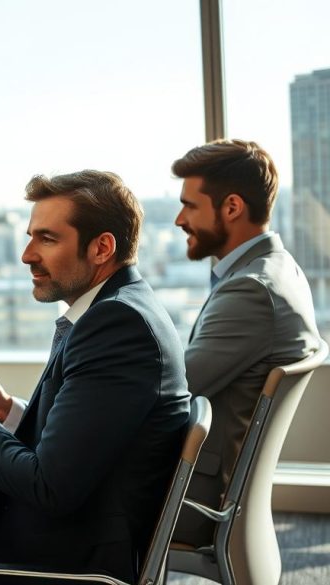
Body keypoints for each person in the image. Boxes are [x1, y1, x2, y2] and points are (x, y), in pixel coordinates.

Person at [0, 171, 190, 583]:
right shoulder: (116, 307)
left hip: (60, 560)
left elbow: (50, 487)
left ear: (101, 248)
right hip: (52, 535)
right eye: (30, 236)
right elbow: (82, 443)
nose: (26, 254)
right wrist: (7, 413)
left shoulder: (116, 324)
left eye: (47, 239)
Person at [169, 139, 320, 545]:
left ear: (232, 207)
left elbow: (172, 393)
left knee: (55, 493)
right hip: (220, 491)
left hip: (194, 503)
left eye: (190, 205)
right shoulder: (279, 269)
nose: (180, 219)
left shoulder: (251, 291)